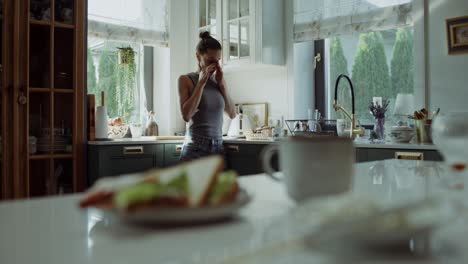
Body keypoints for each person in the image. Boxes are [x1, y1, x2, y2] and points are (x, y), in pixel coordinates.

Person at [178, 31, 236, 161]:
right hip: (196, 147)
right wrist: (200, 84)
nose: (215, 65)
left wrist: (221, 85)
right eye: (210, 60)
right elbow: (186, 116)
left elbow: (232, 114)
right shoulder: (186, 79)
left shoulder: (219, 81)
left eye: (218, 61)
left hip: (218, 147)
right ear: (198, 57)